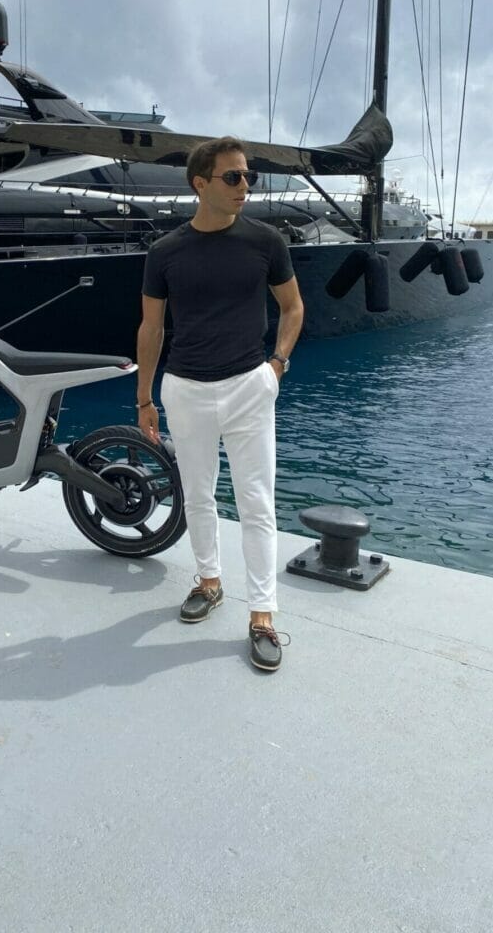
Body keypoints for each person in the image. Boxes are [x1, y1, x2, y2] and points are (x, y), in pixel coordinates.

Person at [136, 136, 304, 671]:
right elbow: (151, 326)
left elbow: (293, 308)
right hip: (184, 390)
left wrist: (275, 365)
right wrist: (144, 398)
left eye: (248, 176)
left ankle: (262, 614)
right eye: (233, 177)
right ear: (200, 184)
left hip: (248, 387)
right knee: (199, 497)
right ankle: (209, 583)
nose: (245, 186)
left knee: (257, 502)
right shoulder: (165, 252)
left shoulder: (266, 242)